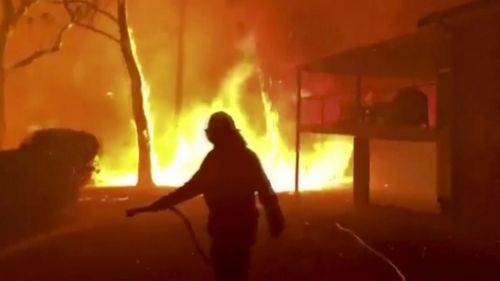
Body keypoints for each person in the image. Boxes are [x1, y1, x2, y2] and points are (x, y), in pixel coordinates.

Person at [126, 111, 285, 281]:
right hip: (239, 228)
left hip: (227, 228)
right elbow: (265, 190)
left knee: (227, 272)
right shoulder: (243, 157)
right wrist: (274, 217)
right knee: (236, 271)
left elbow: (189, 190)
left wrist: (151, 207)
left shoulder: (217, 160)